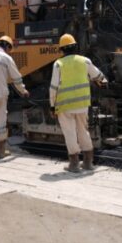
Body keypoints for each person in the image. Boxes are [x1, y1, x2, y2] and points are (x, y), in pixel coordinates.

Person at [49, 33, 107, 173]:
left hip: (64, 106)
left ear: (61, 50)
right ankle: (88, 163)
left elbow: (53, 87)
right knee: (83, 131)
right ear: (75, 47)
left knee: (70, 133)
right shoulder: (85, 61)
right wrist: (103, 82)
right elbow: (99, 76)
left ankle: (74, 164)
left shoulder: (58, 64)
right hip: (82, 104)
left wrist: (52, 106)